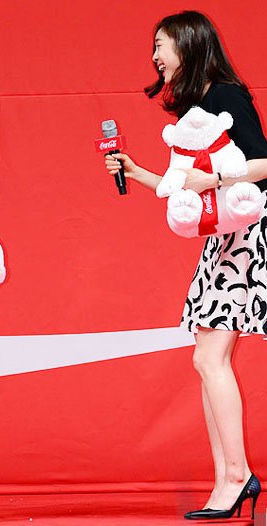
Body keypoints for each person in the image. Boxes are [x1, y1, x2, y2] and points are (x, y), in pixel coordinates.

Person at [105, 10, 267, 521]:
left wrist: (215, 181)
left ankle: (237, 477)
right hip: (223, 239)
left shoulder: (227, 96)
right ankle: (227, 478)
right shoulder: (198, 107)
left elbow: (264, 163)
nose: (155, 55)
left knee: (209, 358)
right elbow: (183, 187)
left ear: (189, 43)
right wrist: (138, 173)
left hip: (249, 237)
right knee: (205, 359)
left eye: (162, 44)